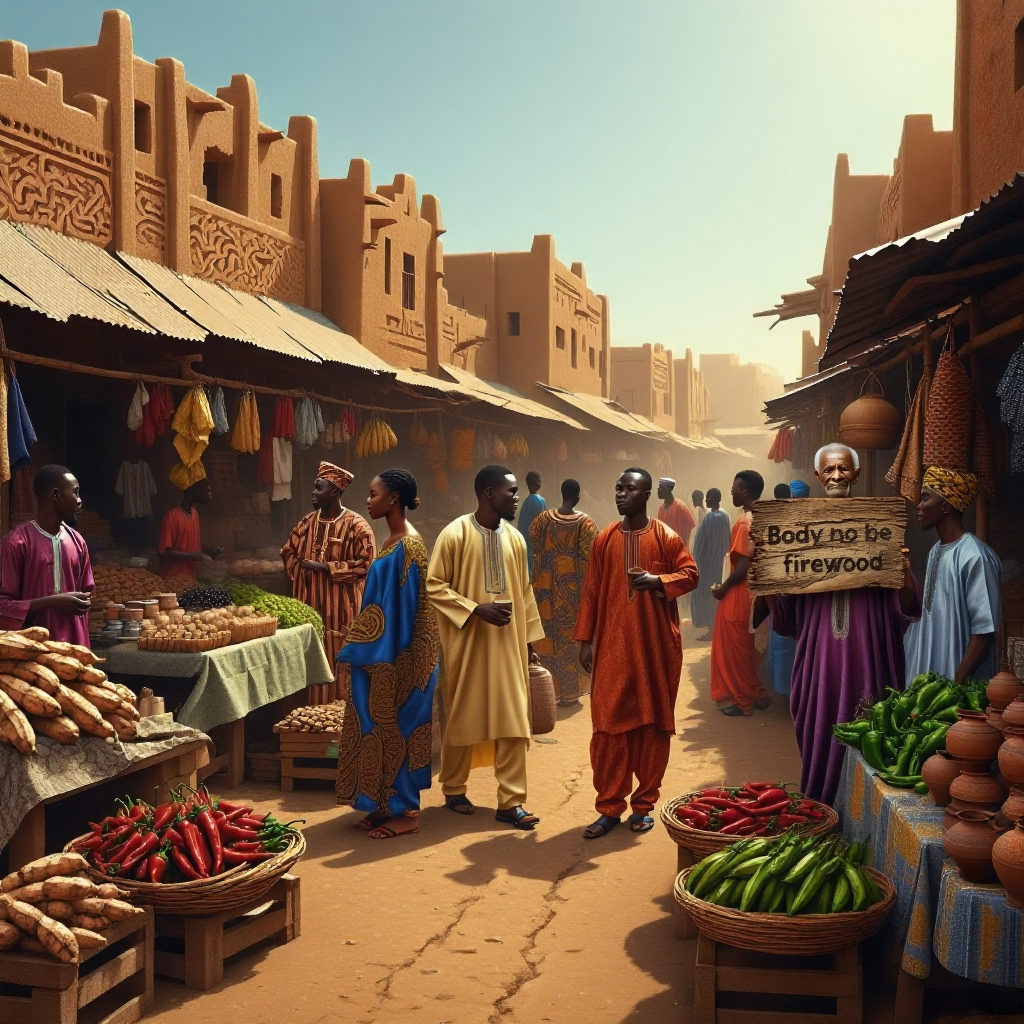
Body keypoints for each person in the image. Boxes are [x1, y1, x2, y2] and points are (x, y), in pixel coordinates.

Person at [763, 443, 920, 804]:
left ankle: (866, 820)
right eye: (829, 470)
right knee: (820, 735)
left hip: (871, 657)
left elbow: (908, 607)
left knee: (874, 742)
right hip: (818, 664)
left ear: (856, 474)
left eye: (844, 469)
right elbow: (785, 619)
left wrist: (905, 570)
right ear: (818, 477)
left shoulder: (878, 527)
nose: (837, 476)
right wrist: (769, 574)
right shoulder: (799, 533)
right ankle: (824, 814)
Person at [574, 468, 699, 838]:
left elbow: (690, 573)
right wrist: (585, 639)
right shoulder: (604, 539)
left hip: (655, 648)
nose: (622, 494)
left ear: (647, 495)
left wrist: (657, 581)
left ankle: (643, 805)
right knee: (608, 726)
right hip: (612, 648)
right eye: (619, 487)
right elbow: (593, 590)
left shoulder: (666, 536)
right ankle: (609, 807)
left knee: (652, 724)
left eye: (631, 489)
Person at [427, 465, 545, 830]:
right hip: (468, 647)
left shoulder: (516, 539)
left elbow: (524, 594)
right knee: (463, 717)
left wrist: (528, 644)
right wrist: (474, 608)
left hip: (508, 649)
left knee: (513, 720)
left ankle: (511, 802)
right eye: (511, 491)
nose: (516, 497)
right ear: (488, 493)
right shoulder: (454, 534)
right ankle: (454, 788)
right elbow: (433, 585)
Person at [336, 470, 441, 839]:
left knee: (401, 730)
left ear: (393, 498)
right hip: (380, 651)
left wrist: (378, 655)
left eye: (373, 493)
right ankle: (381, 804)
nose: (368, 500)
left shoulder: (409, 546)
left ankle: (406, 813)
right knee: (375, 726)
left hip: (403, 656)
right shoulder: (390, 540)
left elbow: (406, 611)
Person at [281, 462, 377, 701]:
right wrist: (301, 574)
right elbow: (288, 551)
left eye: (319, 488)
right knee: (311, 659)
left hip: (344, 611)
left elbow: (365, 565)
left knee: (341, 660)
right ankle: (311, 721)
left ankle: (344, 718)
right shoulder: (306, 523)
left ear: (334, 491)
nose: (313, 493)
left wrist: (326, 568)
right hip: (309, 608)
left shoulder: (358, 526)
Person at [903, 468, 1001, 684]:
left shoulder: (975, 556)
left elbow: (984, 630)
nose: (918, 506)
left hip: (961, 686)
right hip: (933, 682)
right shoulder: (935, 551)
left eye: (925, 498)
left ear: (946, 505)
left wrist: (959, 680)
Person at [0, 465, 94, 645]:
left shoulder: (78, 542)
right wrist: (50, 602)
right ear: (55, 495)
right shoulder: (17, 542)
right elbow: (3, 606)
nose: (80, 500)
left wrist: (84, 601)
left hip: (74, 649)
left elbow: (87, 591)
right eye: (75, 493)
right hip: (32, 653)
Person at [529, 479, 598, 706]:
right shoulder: (585, 524)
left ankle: (549, 692)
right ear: (577, 496)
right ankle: (569, 693)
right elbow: (594, 560)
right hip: (572, 598)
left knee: (548, 643)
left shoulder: (542, 521)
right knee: (570, 644)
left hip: (545, 595)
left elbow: (535, 548)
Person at [709, 471, 771, 717]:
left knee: (734, 650)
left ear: (745, 491)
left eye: (734, 487)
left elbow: (743, 565)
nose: (731, 491)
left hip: (740, 593)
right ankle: (756, 694)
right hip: (757, 592)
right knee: (746, 647)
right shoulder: (763, 517)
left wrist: (722, 588)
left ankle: (741, 700)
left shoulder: (745, 522)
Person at [690, 487, 730, 641]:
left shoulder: (711, 517)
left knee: (706, 595)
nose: (706, 500)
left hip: (708, 564)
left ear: (715, 498)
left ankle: (712, 629)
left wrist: (697, 561)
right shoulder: (725, 515)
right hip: (721, 563)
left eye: (709, 497)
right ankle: (717, 628)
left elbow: (701, 543)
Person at [158, 478, 216, 578]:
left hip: (190, 578)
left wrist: (208, 551)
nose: (210, 494)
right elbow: (164, 554)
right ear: (192, 492)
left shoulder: (195, 515)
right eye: (207, 491)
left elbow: (190, 546)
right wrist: (192, 556)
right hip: (172, 578)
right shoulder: (171, 517)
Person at [518, 471, 546, 567]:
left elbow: (522, 525)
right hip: (535, 541)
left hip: (526, 539)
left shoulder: (527, 501)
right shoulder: (540, 501)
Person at [657, 477, 696, 544]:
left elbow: (683, 534)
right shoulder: (661, 509)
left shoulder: (679, 507)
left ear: (666, 491)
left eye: (660, 489)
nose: (658, 491)